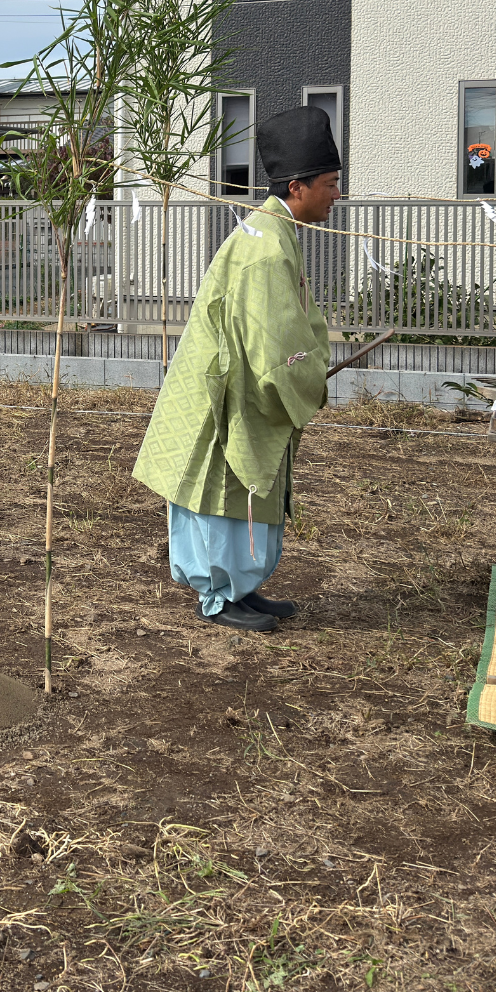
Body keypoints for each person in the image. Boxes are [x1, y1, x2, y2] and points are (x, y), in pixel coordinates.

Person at [133, 106, 340, 633]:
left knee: (238, 494)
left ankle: (240, 588)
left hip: (236, 388)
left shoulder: (273, 231)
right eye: (331, 183)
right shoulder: (266, 251)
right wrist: (306, 376)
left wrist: (304, 364)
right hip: (227, 395)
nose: (337, 194)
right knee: (221, 495)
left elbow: (289, 327)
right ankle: (220, 595)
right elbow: (276, 349)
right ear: (299, 186)